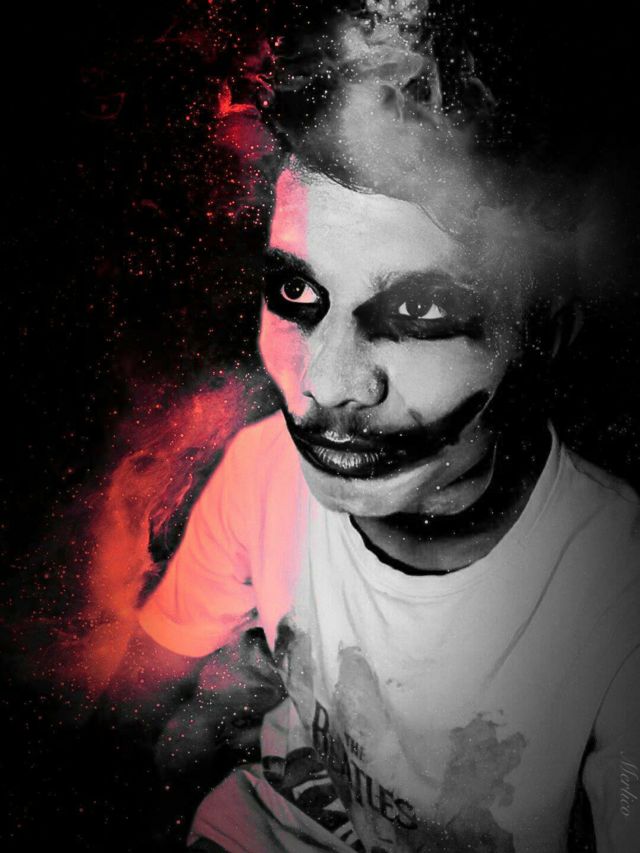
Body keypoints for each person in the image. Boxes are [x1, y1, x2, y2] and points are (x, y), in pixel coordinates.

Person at [103, 5, 640, 852]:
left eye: (418, 309)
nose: (324, 382)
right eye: (296, 295)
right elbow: (132, 705)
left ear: (542, 332)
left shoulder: (617, 592)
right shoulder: (263, 472)